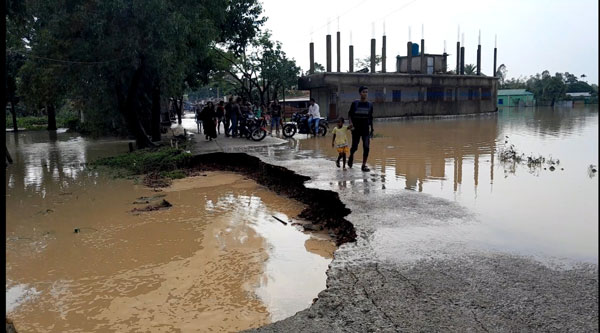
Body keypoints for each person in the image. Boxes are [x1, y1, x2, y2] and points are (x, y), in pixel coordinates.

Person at [348, 86, 374, 172]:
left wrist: (372, 130)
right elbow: (350, 115)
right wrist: (351, 123)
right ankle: (351, 156)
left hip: (365, 129)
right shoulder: (355, 103)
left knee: (366, 147)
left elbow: (371, 118)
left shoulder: (370, 105)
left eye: (366, 92)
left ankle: (363, 165)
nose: (365, 94)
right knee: (355, 147)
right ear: (360, 93)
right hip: (356, 129)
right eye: (364, 92)